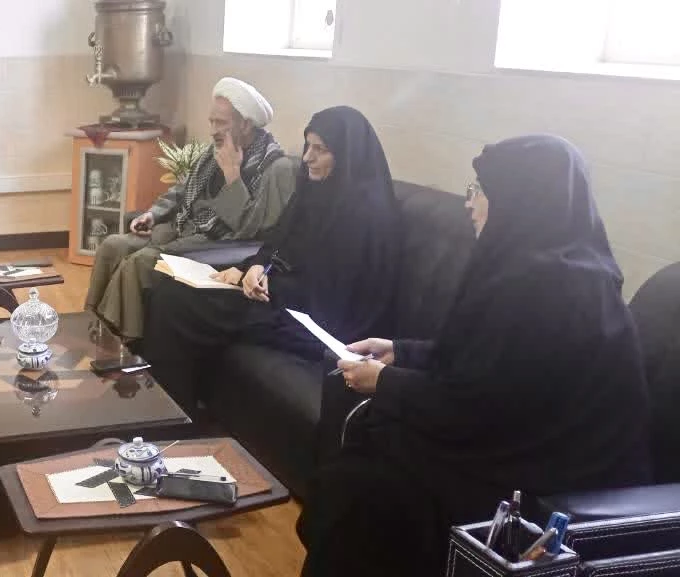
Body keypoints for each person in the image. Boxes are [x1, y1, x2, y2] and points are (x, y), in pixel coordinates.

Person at [299, 135, 653, 576]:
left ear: (521, 200)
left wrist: (385, 381)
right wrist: (399, 351)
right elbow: (487, 360)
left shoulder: (551, 287)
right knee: (363, 455)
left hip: (546, 473)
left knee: (360, 491)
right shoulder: (544, 266)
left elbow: (482, 402)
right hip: (509, 438)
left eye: (481, 191)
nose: (470, 203)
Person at [141, 106, 402, 413]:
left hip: (322, 323)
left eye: (320, 150)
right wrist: (255, 267)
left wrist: (265, 283)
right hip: (286, 299)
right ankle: (166, 408)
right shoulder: (316, 190)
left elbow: (329, 293)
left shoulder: (366, 213)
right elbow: (278, 240)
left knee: (178, 303)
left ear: (347, 155)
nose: (307, 158)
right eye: (308, 146)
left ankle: (168, 416)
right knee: (171, 290)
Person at [86, 77, 298, 340]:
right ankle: (95, 327)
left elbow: (255, 231)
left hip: (215, 245)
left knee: (138, 263)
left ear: (246, 124)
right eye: (212, 121)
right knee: (112, 245)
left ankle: (129, 343)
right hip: (182, 231)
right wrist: (154, 214)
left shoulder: (277, 168)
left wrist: (232, 175)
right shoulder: (215, 151)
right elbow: (182, 189)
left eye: (221, 123)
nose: (213, 130)